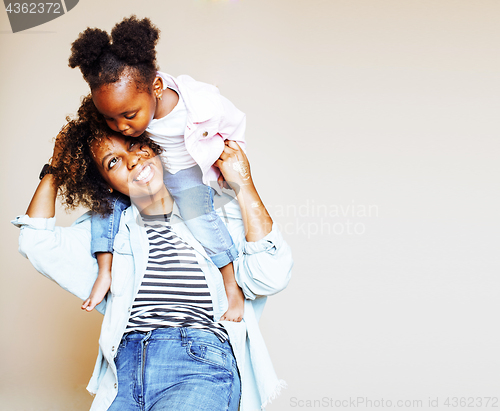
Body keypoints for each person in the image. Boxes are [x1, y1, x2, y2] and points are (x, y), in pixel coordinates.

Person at [13, 97, 293, 411]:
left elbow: (272, 274)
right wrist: (56, 167)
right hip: (124, 372)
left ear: (153, 145)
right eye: (113, 162)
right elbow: (35, 242)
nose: (131, 161)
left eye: (134, 145)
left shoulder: (217, 213)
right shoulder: (107, 234)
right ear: (106, 185)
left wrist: (245, 184)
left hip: (198, 362)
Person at [69, 16, 247, 321]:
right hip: (155, 166)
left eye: (128, 115)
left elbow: (235, 120)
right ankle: (105, 270)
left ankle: (231, 285)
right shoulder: (130, 100)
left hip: (189, 172)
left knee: (198, 216)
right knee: (106, 201)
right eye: (110, 119)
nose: (121, 127)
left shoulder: (200, 105)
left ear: (157, 86)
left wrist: (233, 152)